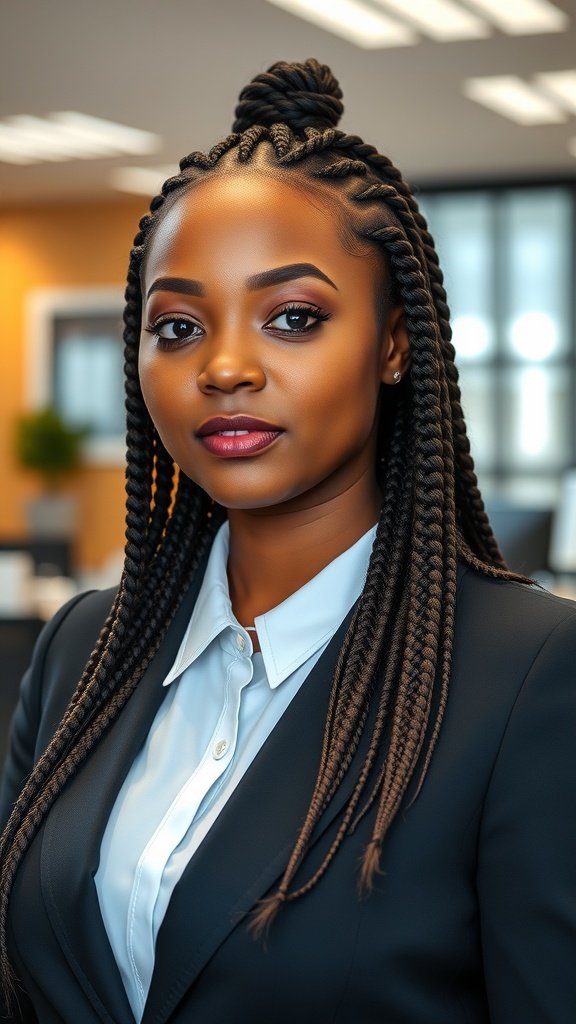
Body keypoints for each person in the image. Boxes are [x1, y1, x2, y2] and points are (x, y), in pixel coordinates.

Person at [0, 58, 575, 1024]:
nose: (225, 367)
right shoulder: (83, 649)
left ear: (395, 343)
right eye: (177, 326)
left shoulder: (531, 677)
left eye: (293, 318)